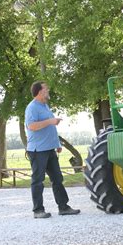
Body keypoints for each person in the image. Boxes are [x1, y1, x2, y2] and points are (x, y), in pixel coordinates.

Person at [25, 81, 80, 218]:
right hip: (38, 151)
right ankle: (38, 211)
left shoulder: (45, 106)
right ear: (40, 91)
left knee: (57, 178)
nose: (48, 90)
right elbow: (31, 126)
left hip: (50, 149)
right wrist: (50, 121)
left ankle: (63, 207)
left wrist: (57, 144)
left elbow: (50, 129)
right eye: (46, 88)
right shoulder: (32, 108)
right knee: (38, 180)